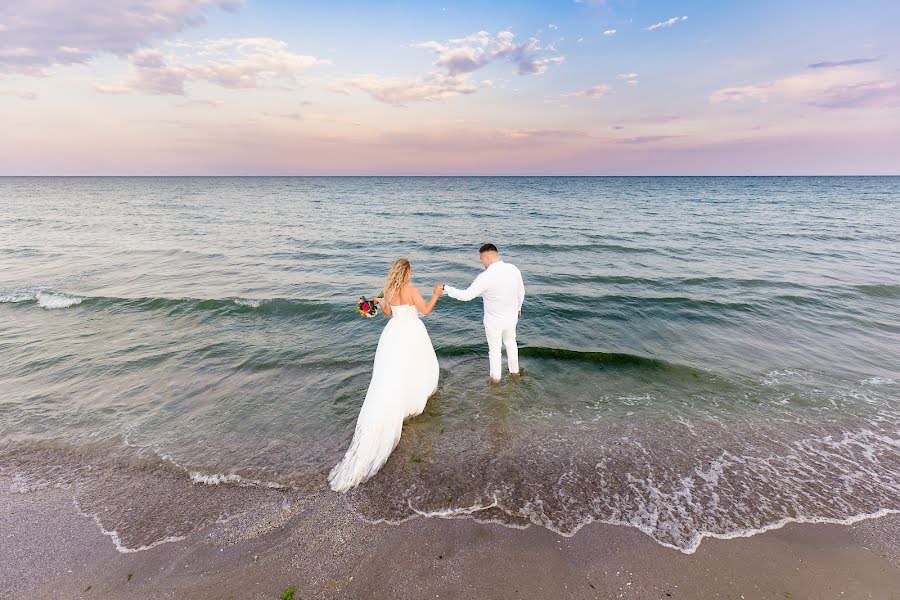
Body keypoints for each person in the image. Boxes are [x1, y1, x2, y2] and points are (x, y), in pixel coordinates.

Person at [328, 258, 443, 492]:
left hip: (392, 334)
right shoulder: (411, 290)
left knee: (390, 374)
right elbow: (426, 311)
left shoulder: (389, 291)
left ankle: (394, 405)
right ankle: (410, 403)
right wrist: (437, 294)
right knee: (416, 369)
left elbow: (389, 312)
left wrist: (380, 302)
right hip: (411, 334)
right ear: (407, 273)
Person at [440, 243, 525, 382]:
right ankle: (515, 373)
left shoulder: (486, 276)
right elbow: (521, 292)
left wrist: (446, 288)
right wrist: (518, 308)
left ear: (486, 257)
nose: (482, 263)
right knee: (511, 343)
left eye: (481, 260)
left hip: (494, 322)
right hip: (511, 318)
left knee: (495, 352)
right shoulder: (513, 269)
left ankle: (496, 381)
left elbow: (466, 295)